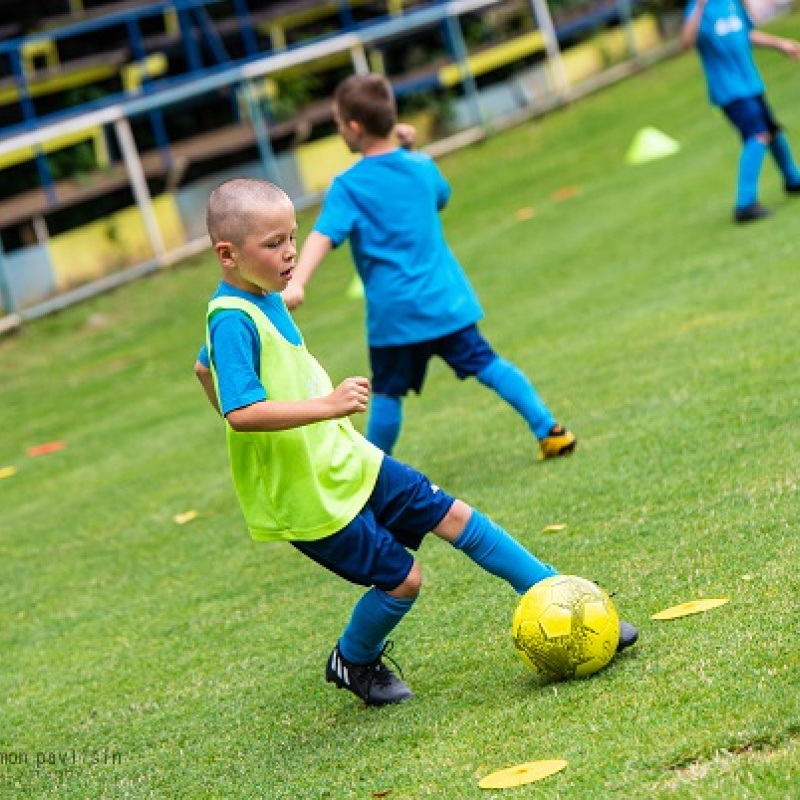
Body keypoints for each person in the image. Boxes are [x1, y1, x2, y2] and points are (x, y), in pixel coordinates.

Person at [194, 178, 638, 706]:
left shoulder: (261, 294)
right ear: (228, 254)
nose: (290, 252)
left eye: (293, 237)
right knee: (404, 581)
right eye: (274, 245)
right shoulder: (231, 319)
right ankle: (353, 659)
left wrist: (312, 414)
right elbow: (242, 413)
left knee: (455, 515)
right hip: (309, 495)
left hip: (351, 460)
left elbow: (204, 369)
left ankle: (559, 596)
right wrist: (326, 407)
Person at [280, 73, 576, 461]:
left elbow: (323, 235)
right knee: (488, 364)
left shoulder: (348, 186)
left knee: (387, 393)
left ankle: (369, 477)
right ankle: (551, 431)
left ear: (354, 128)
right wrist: (413, 151)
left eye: (338, 126)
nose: (339, 133)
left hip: (397, 316)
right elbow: (440, 197)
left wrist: (298, 282)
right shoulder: (421, 166)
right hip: (444, 302)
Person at [682, 0, 800, 223]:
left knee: (772, 130)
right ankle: (745, 204)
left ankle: (793, 180)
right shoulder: (697, 9)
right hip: (728, 90)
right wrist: (699, 7)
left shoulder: (731, 3)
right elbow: (687, 42)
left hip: (751, 83)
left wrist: (780, 44)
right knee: (757, 134)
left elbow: (747, 34)